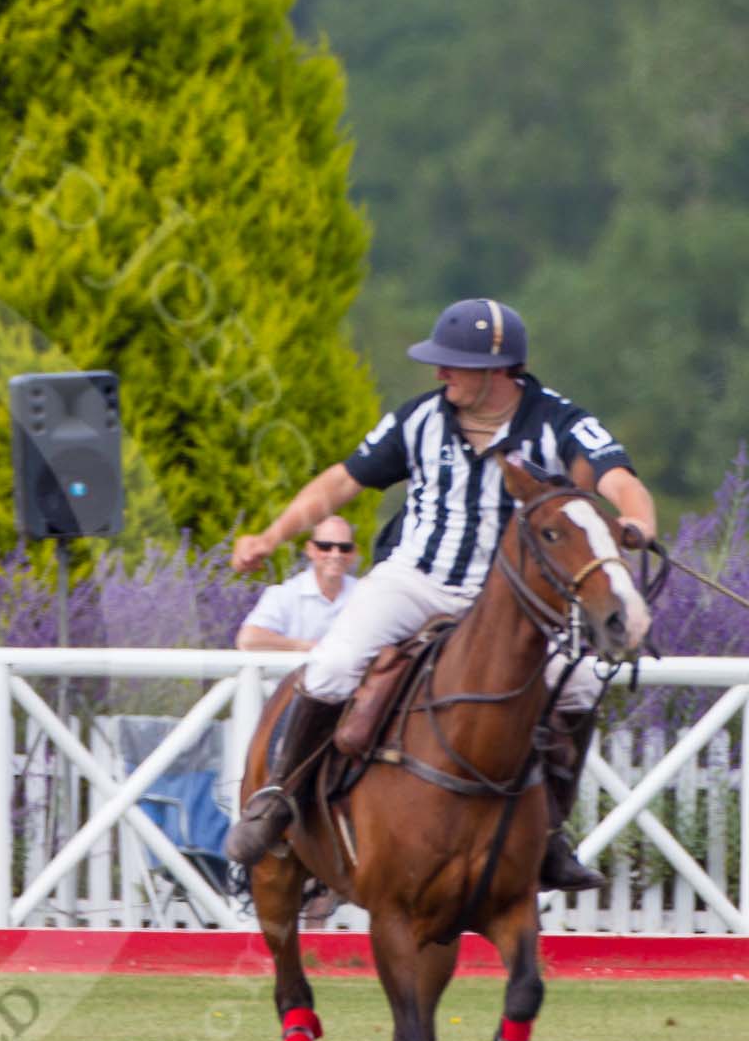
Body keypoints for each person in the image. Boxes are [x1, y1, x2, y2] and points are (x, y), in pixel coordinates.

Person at [225, 298, 657, 891]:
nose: (439, 374)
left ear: (499, 370)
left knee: (579, 684)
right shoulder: (418, 419)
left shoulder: (558, 421)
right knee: (330, 666)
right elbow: (343, 479)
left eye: (453, 364)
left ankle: (552, 835)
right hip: (415, 580)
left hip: (509, 603)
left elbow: (618, 479)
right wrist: (272, 534)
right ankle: (278, 798)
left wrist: (637, 521)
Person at [235, 516, 362, 651]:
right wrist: (310, 648)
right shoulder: (284, 594)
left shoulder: (365, 594)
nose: (336, 554)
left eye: (345, 548)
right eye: (325, 547)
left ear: (354, 553)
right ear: (310, 549)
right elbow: (248, 640)